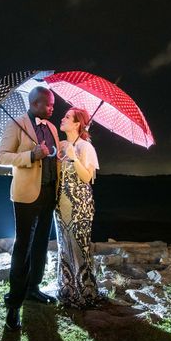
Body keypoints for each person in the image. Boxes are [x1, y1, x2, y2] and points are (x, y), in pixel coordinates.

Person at [0, 86, 59, 331]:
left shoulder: (53, 128)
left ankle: (34, 288)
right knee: (23, 247)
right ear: (35, 104)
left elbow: (54, 158)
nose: (52, 108)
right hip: (25, 196)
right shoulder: (17, 124)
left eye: (53, 104)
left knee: (41, 244)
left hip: (49, 193)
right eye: (49, 104)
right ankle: (14, 304)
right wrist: (30, 156)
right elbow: (2, 157)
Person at [54, 107, 103, 308]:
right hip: (60, 203)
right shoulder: (61, 145)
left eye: (67, 117)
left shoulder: (85, 147)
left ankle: (85, 290)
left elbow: (87, 178)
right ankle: (67, 288)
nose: (62, 119)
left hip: (80, 204)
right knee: (63, 245)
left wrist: (74, 156)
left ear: (77, 124)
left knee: (80, 246)